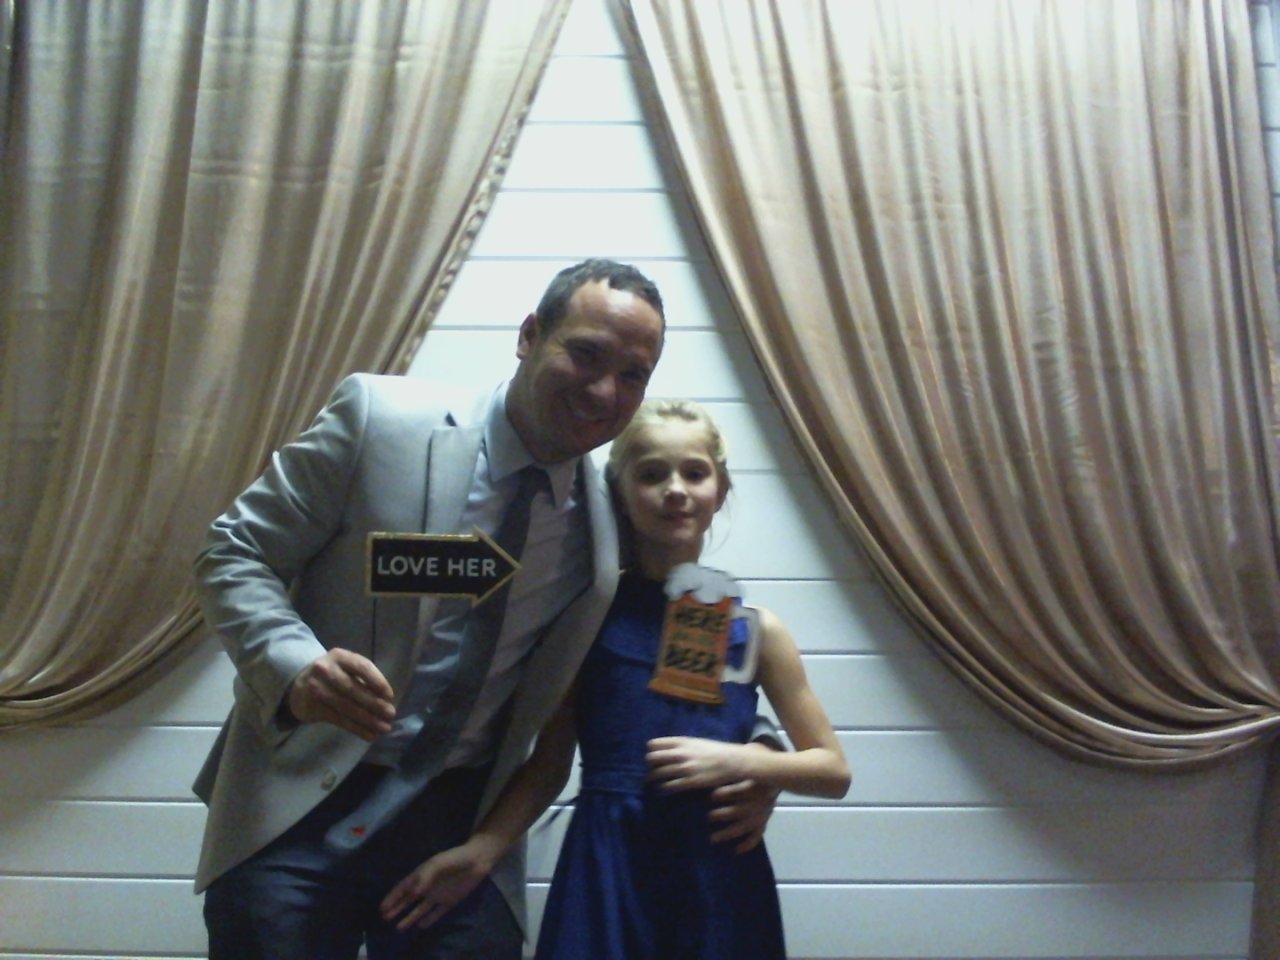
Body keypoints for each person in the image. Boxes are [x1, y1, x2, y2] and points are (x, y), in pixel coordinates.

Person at [191, 260, 780, 960]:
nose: (603, 390)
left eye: (632, 375)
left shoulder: (610, 516)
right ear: (529, 336)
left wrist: (759, 755)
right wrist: (294, 666)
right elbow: (234, 551)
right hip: (303, 795)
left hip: (460, 818)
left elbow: (661, 635)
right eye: (586, 354)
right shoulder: (380, 420)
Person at [380, 399, 851, 958]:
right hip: (607, 867)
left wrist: (749, 763)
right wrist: (484, 849)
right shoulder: (586, 617)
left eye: (694, 473)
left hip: (718, 874)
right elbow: (548, 764)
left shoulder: (758, 630)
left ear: (720, 490)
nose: (675, 490)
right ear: (620, 494)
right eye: (651, 474)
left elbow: (832, 769)